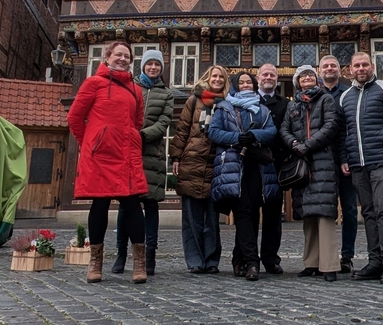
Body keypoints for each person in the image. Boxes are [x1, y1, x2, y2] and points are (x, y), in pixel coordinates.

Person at [67, 40, 149, 284]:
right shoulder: (93, 83)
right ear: (107, 57)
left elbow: (138, 122)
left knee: (133, 205)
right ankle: (95, 264)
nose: (123, 59)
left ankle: (139, 264)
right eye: (118, 55)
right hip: (101, 155)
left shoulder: (135, 90)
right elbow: (74, 118)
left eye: (127, 56)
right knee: (99, 205)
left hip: (126, 154)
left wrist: (129, 139)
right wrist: (91, 143)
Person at [339, 52, 383, 285]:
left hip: (382, 161)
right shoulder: (345, 96)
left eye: (364, 64)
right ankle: (375, 260)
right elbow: (343, 132)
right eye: (356, 65)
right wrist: (345, 157)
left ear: (372, 66)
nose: (360, 68)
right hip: (358, 163)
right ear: (350, 69)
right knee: (367, 211)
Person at [209, 71, 280, 281]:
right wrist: (238, 138)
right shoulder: (224, 107)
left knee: (253, 212)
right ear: (235, 85)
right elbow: (214, 132)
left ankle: (238, 259)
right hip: (234, 165)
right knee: (243, 211)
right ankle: (252, 262)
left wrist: (254, 135)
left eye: (249, 81)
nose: (246, 84)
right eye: (241, 82)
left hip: (257, 167)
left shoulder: (263, 109)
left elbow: (271, 131)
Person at [111, 48, 174, 278]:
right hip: (128, 153)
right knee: (126, 206)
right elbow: (119, 113)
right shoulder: (130, 86)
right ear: (143, 66)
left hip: (152, 153)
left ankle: (149, 256)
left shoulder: (166, 94)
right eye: (150, 64)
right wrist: (128, 134)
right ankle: (121, 253)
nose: (153, 68)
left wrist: (141, 135)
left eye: (157, 64)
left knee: (151, 206)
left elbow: (164, 120)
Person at [280, 65, 340, 281]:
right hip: (302, 162)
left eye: (310, 75)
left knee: (324, 214)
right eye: (302, 75)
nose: (307, 78)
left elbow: (331, 125)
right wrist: (295, 144)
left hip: (321, 160)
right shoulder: (293, 104)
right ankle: (311, 262)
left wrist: (310, 144)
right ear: (297, 81)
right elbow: (284, 129)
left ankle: (330, 264)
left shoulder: (326, 100)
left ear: (317, 80)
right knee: (308, 214)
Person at [169, 64, 230, 274]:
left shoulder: (228, 103)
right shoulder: (194, 100)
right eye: (214, 76)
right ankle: (194, 260)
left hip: (216, 166)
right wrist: (176, 157)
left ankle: (212, 260)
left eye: (221, 77)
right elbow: (182, 129)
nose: (217, 80)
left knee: (212, 219)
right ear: (207, 77)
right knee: (192, 218)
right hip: (192, 162)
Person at [318, 55, 357, 272]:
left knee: (350, 208)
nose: (329, 69)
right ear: (319, 70)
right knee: (325, 209)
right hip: (322, 160)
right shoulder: (314, 94)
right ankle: (327, 256)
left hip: (347, 159)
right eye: (326, 66)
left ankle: (347, 255)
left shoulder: (349, 93)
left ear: (339, 70)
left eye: (333, 65)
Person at [256, 61, 288, 275]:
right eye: (265, 74)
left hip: (275, 164)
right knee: (248, 213)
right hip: (251, 163)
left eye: (272, 75)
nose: (269, 77)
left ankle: (270, 258)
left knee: (273, 215)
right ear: (258, 78)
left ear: (277, 79)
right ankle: (247, 257)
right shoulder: (248, 98)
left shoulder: (285, 103)